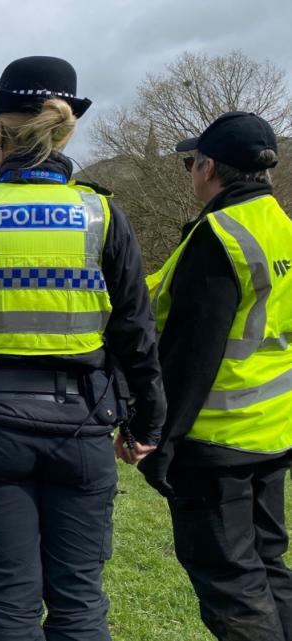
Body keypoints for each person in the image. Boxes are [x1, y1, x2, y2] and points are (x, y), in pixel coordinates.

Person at [0, 55, 166, 641]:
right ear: (67, 129)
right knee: (78, 602)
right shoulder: (103, 216)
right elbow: (135, 333)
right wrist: (147, 422)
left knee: (10, 603)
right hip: (83, 425)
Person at [137, 112, 292, 641]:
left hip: (216, 439)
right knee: (268, 564)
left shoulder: (220, 234)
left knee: (231, 582)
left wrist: (158, 438)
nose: (189, 173)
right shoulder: (282, 230)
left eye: (190, 163)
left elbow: (191, 353)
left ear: (208, 168)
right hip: (271, 433)